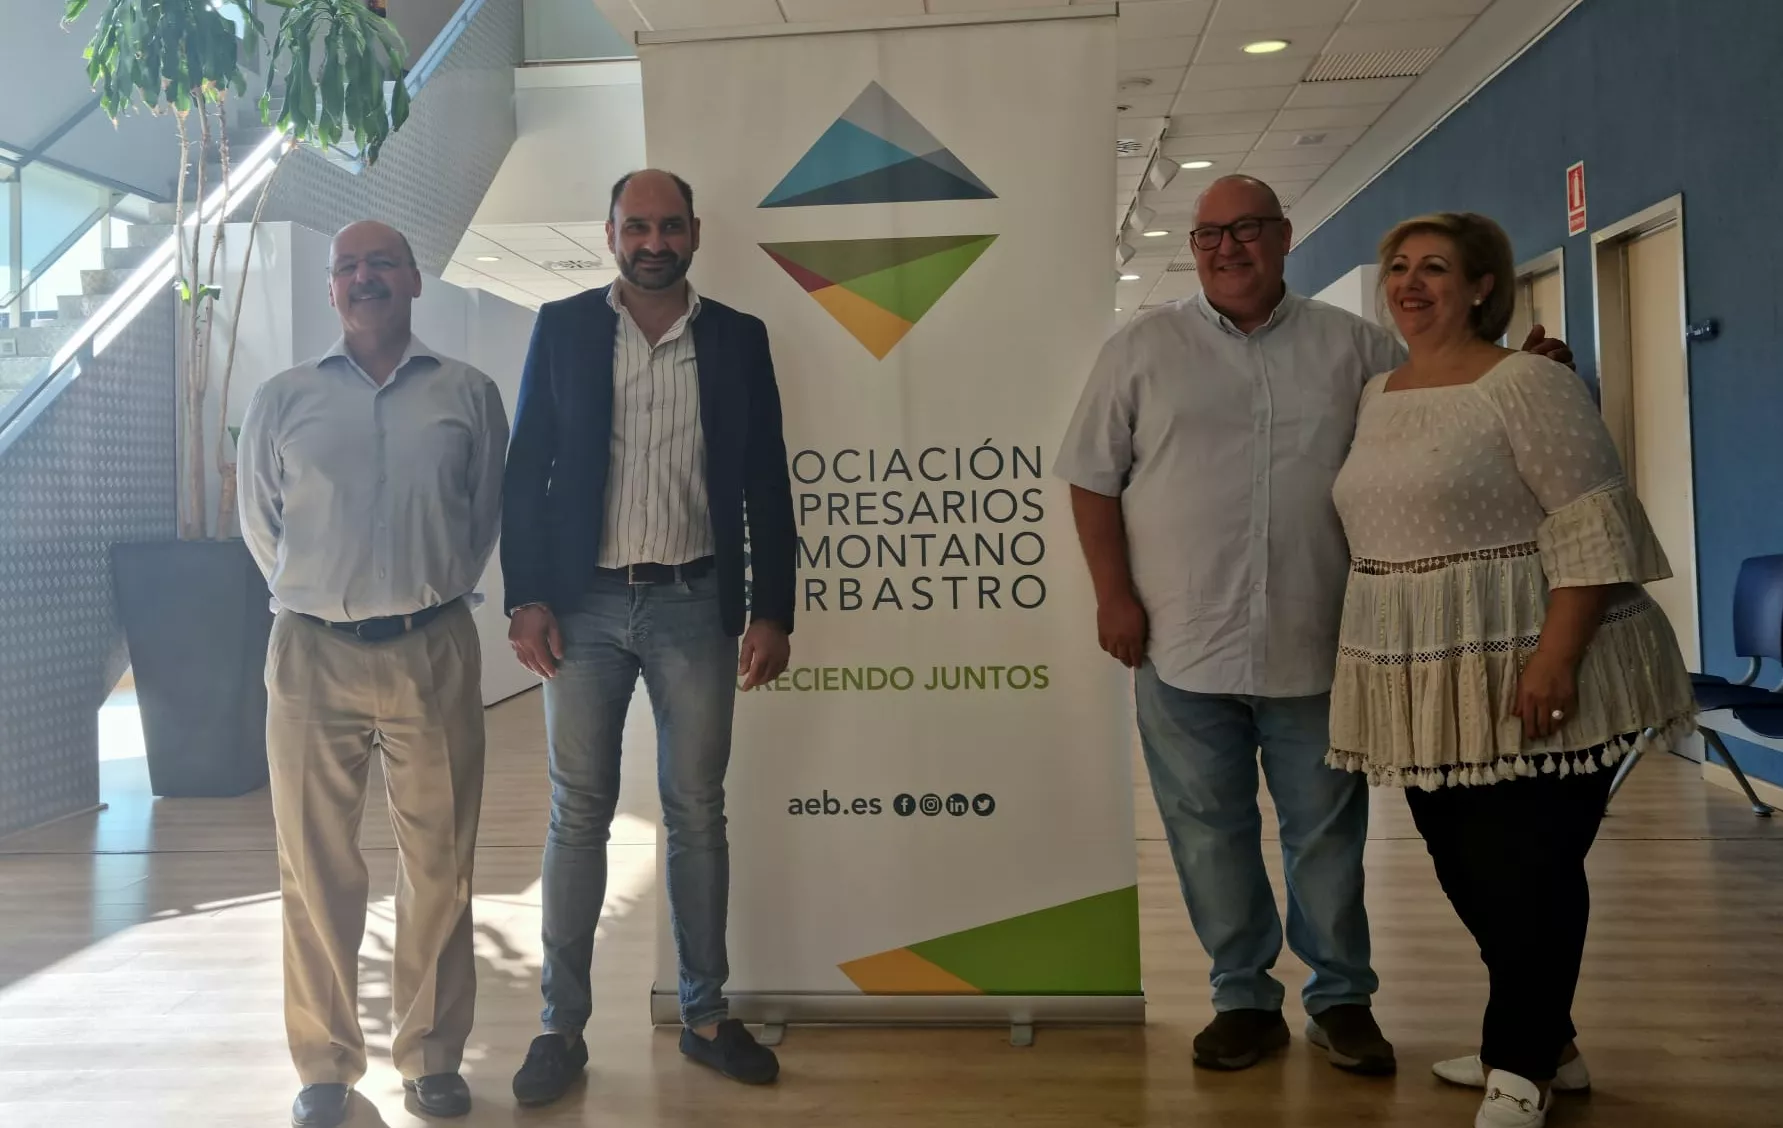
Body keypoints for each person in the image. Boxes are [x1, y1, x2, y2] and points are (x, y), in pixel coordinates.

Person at [1055, 175, 1572, 1076]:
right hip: (1179, 642)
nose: (1226, 247)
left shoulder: (1356, 348)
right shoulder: (1141, 348)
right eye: (1208, 234)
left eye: (1245, 229)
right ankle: (1243, 1000)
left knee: (1326, 835)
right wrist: (1112, 597)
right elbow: (1092, 479)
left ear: (1283, 236)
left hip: (1320, 638)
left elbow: (1442, 396)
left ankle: (1340, 1001)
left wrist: (1518, 373)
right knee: (1206, 832)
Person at [1327, 212, 1692, 1128]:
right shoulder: (1376, 391)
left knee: (1527, 871)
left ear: (1481, 285)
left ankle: (1519, 1065)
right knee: (1463, 866)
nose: (1410, 284)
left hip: (1537, 659)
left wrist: (1554, 660)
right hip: (1430, 677)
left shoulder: (1526, 382)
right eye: (1398, 267)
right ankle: (1548, 1043)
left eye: (1434, 268)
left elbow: (1590, 524)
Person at [502, 169, 797, 1105]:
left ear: (695, 233)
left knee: (697, 811)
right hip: (581, 607)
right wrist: (525, 597)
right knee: (577, 814)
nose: (654, 242)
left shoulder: (738, 338)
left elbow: (766, 481)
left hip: (694, 603)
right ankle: (561, 1028)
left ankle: (705, 1017)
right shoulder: (564, 328)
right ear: (610, 234)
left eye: (670, 226)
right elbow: (527, 469)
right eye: (638, 226)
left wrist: (771, 608)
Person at [237, 220, 508, 1128]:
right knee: (313, 864)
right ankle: (324, 1065)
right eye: (347, 267)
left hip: (434, 647)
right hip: (311, 653)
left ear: (415, 280)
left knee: (441, 862)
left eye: (382, 262)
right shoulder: (284, 398)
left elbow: (479, 518)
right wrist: (325, 597)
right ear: (330, 288)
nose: (364, 277)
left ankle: (431, 1056)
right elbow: (262, 527)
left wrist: (420, 594)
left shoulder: (468, 394)